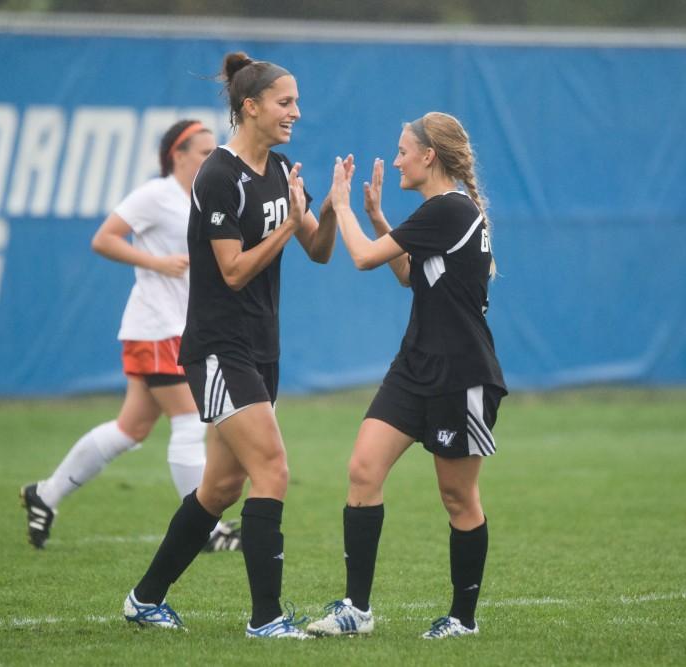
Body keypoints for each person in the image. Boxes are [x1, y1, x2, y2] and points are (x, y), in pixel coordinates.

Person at [121, 52, 340, 639]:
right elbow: (234, 270)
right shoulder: (218, 175)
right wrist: (289, 226)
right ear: (250, 107)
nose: (296, 111)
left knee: (219, 486)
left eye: (295, 102)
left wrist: (331, 207)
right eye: (285, 102)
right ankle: (266, 620)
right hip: (218, 348)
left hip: (261, 348)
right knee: (272, 469)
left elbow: (318, 252)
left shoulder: (281, 167)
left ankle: (144, 600)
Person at [305, 112, 506, 639]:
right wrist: (376, 215)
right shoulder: (439, 214)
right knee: (362, 471)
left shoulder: (450, 209)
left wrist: (343, 206)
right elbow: (408, 276)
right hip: (414, 367)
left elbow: (366, 260)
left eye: (401, 151)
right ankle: (357, 610)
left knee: (458, 499)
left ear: (428, 156)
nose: (395, 160)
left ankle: (463, 620)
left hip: (461, 376)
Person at [20, 120, 241, 553]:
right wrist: (156, 263)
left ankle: (45, 494)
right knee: (190, 420)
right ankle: (205, 530)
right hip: (157, 326)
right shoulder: (156, 195)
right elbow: (104, 239)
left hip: (173, 326)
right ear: (177, 155)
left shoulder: (201, 196)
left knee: (132, 427)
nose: (209, 158)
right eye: (202, 151)